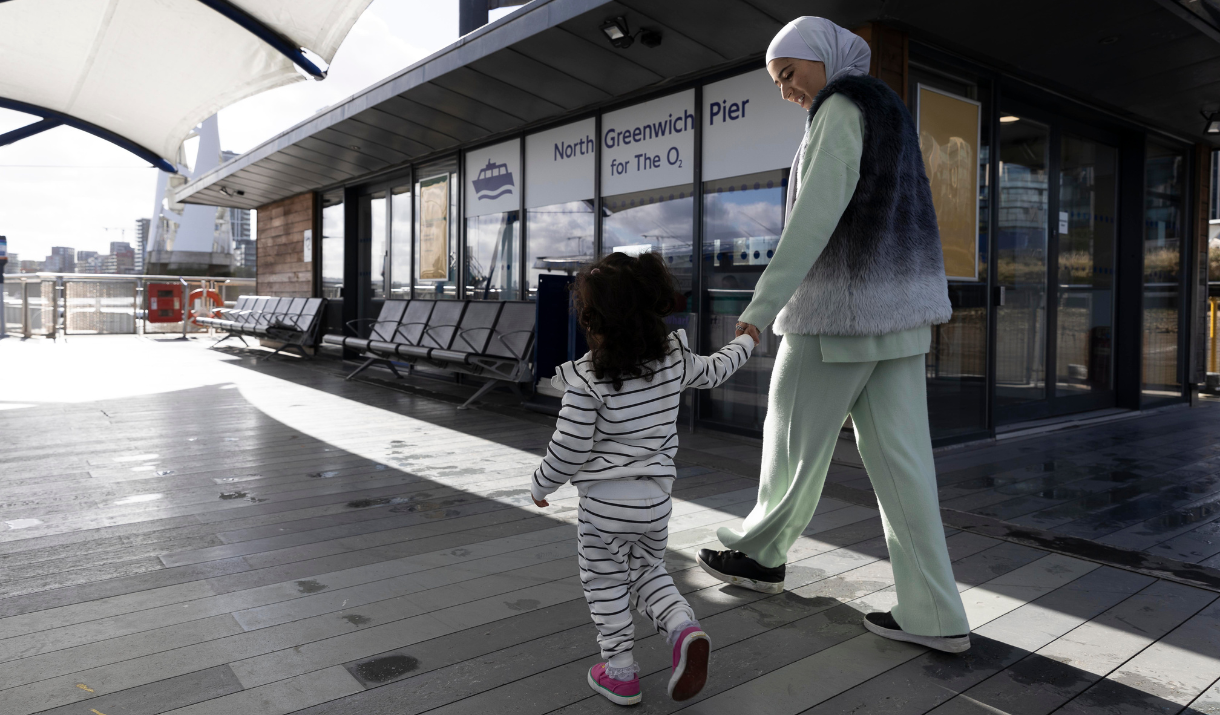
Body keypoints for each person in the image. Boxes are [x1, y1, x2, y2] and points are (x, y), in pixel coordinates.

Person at [696, 16, 972, 654]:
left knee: (789, 444)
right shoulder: (889, 110)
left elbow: (812, 220)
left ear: (820, 58)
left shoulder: (841, 108)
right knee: (906, 470)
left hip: (836, 313)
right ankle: (936, 613)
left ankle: (761, 556)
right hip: (898, 319)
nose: (785, 90)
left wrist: (761, 307)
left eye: (788, 73)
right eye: (777, 81)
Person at [530, 251, 757, 705]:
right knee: (649, 571)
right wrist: (746, 342)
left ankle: (619, 672)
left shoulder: (587, 380)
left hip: (604, 510)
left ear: (593, 322)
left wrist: (541, 485)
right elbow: (714, 370)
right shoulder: (674, 358)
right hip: (655, 503)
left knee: (605, 584)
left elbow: (569, 449)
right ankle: (682, 628)